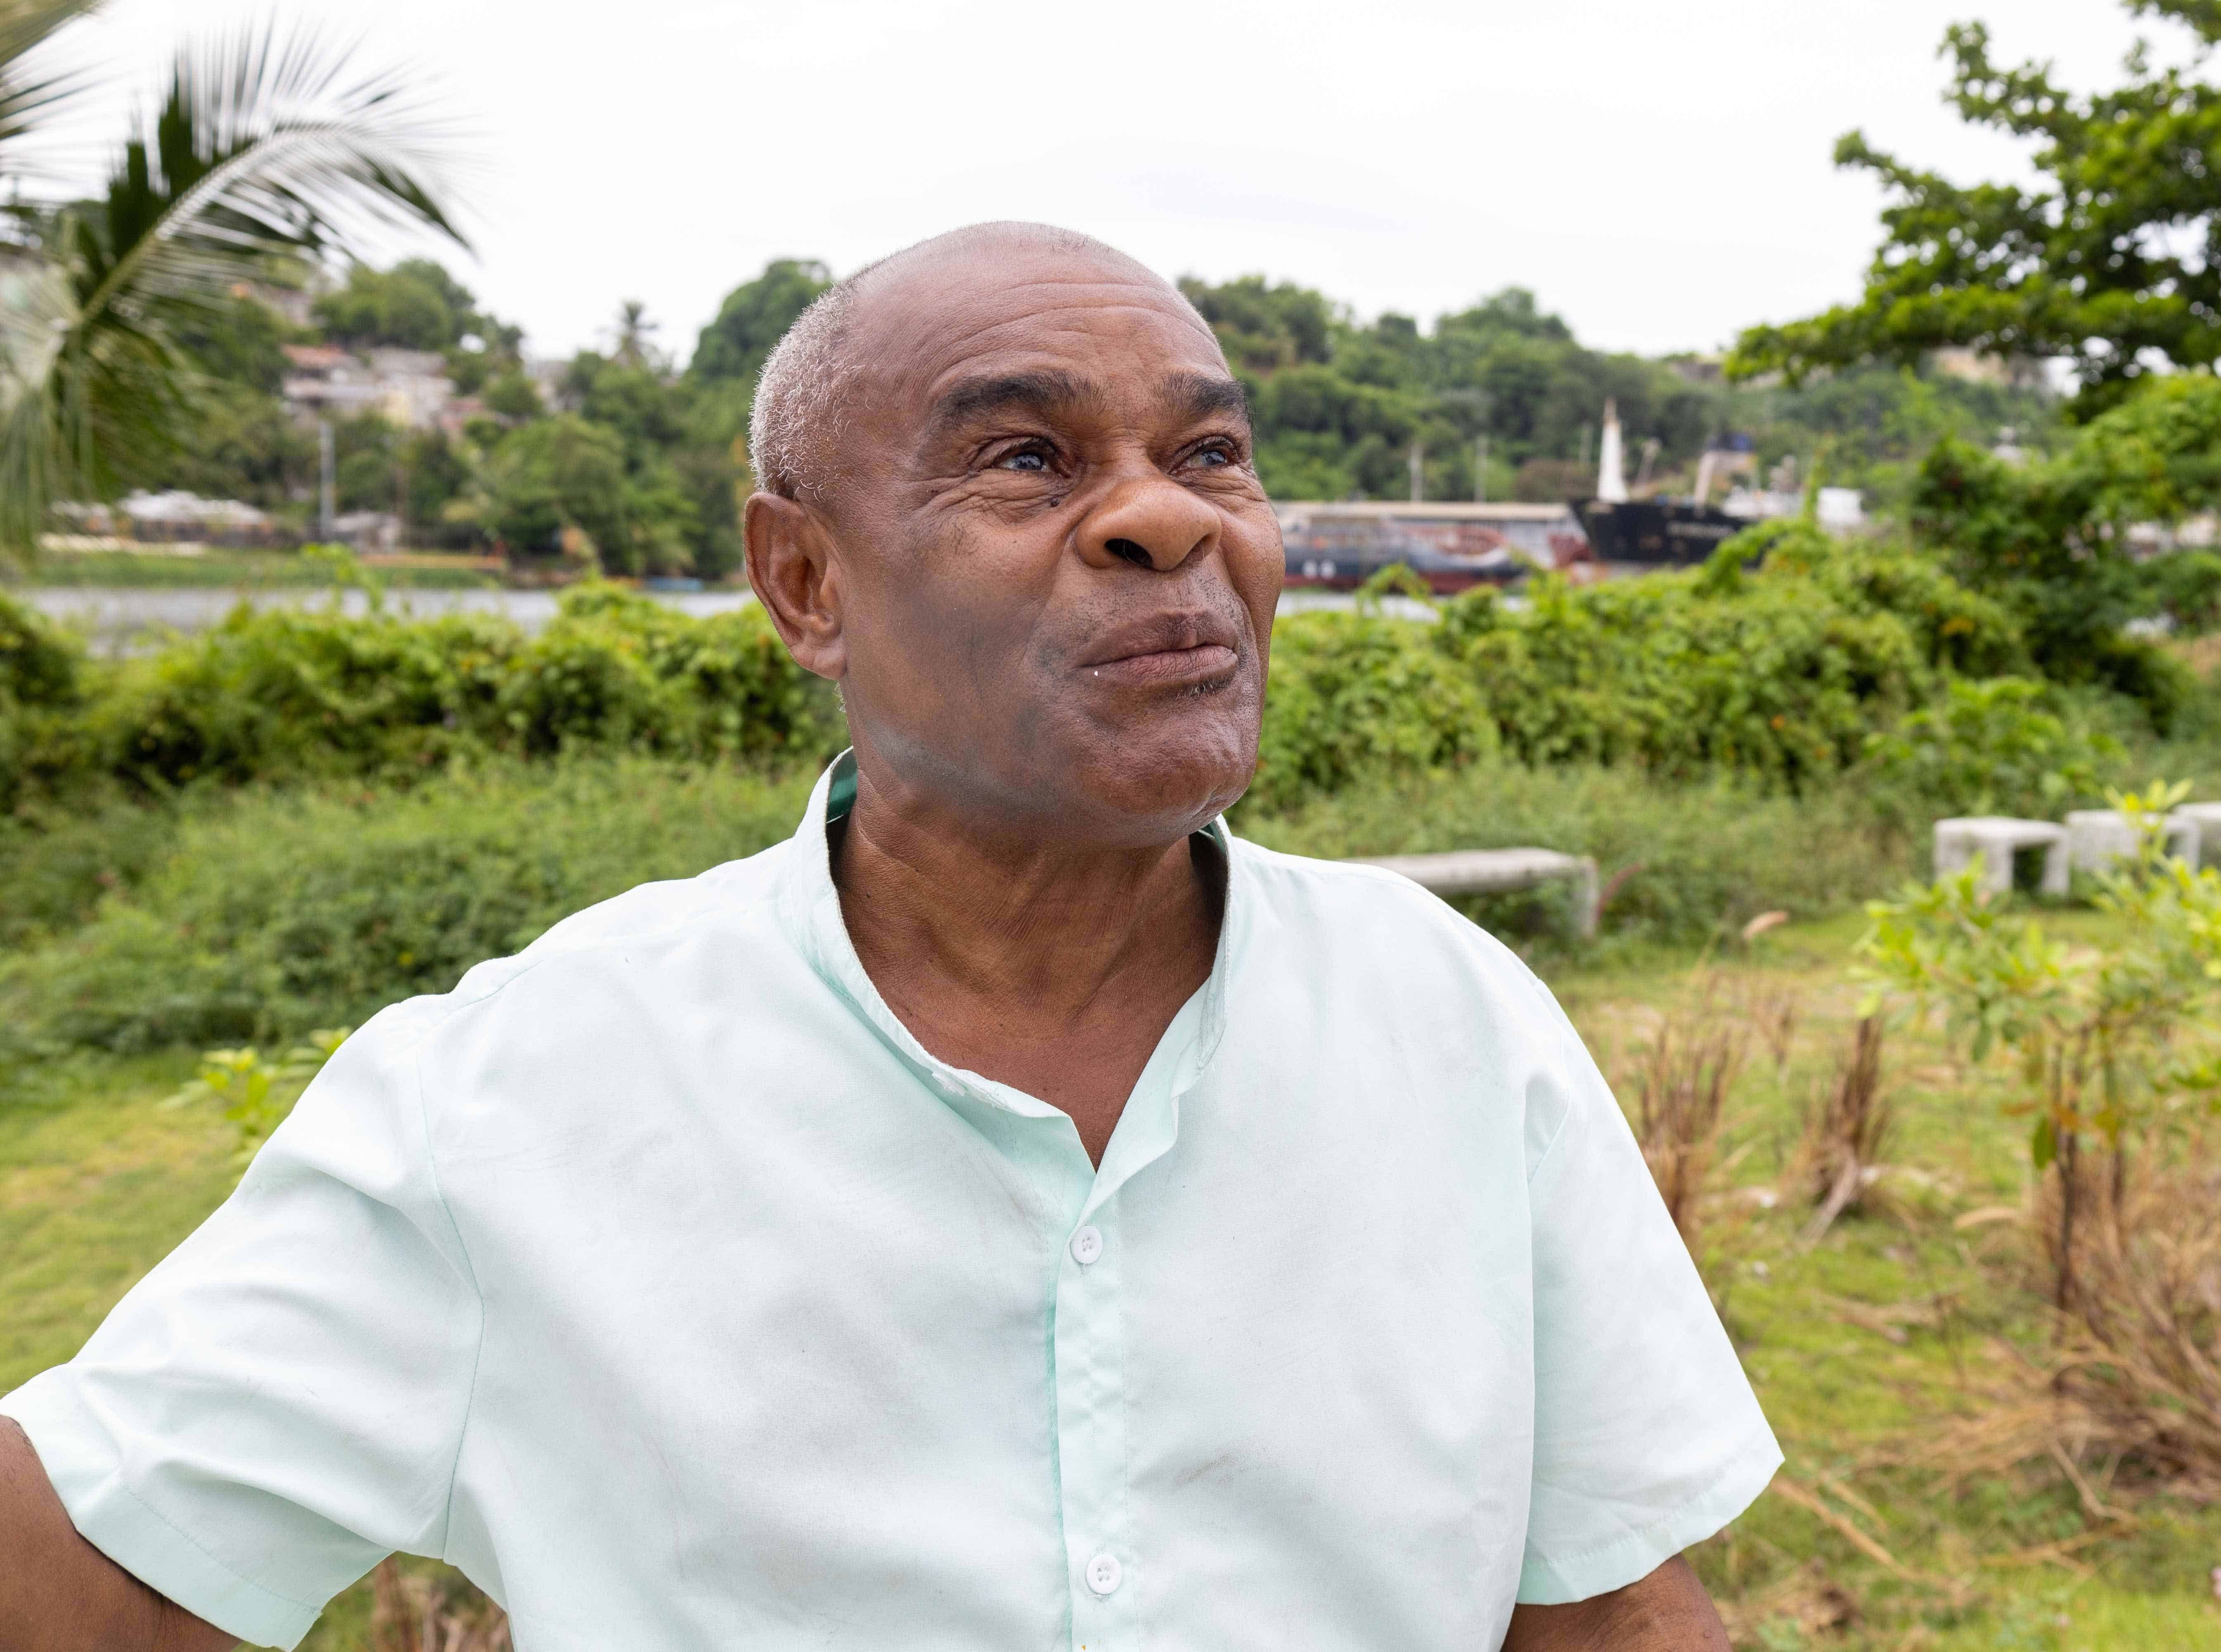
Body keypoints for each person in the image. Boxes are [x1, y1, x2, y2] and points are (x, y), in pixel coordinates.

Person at [0, 223, 1778, 1650]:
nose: (1168, 517)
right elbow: (107, 1557)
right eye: (1026, 459)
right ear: (804, 584)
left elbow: (1612, 1600)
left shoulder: (1451, 1020)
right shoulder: (520, 1090)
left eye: (1210, 453)